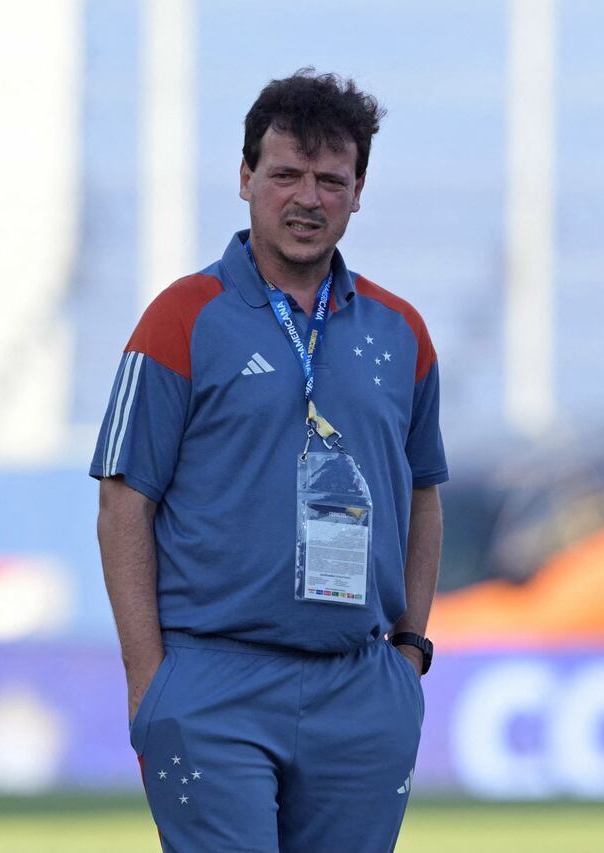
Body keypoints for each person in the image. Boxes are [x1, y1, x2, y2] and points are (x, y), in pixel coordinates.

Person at [92, 69, 447, 853]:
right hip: (212, 680)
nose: (308, 198)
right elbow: (124, 504)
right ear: (246, 176)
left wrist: (410, 649)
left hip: (362, 686)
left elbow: (424, 493)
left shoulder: (402, 332)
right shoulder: (180, 318)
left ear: (358, 192)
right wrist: (150, 683)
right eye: (286, 173)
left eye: (331, 180)